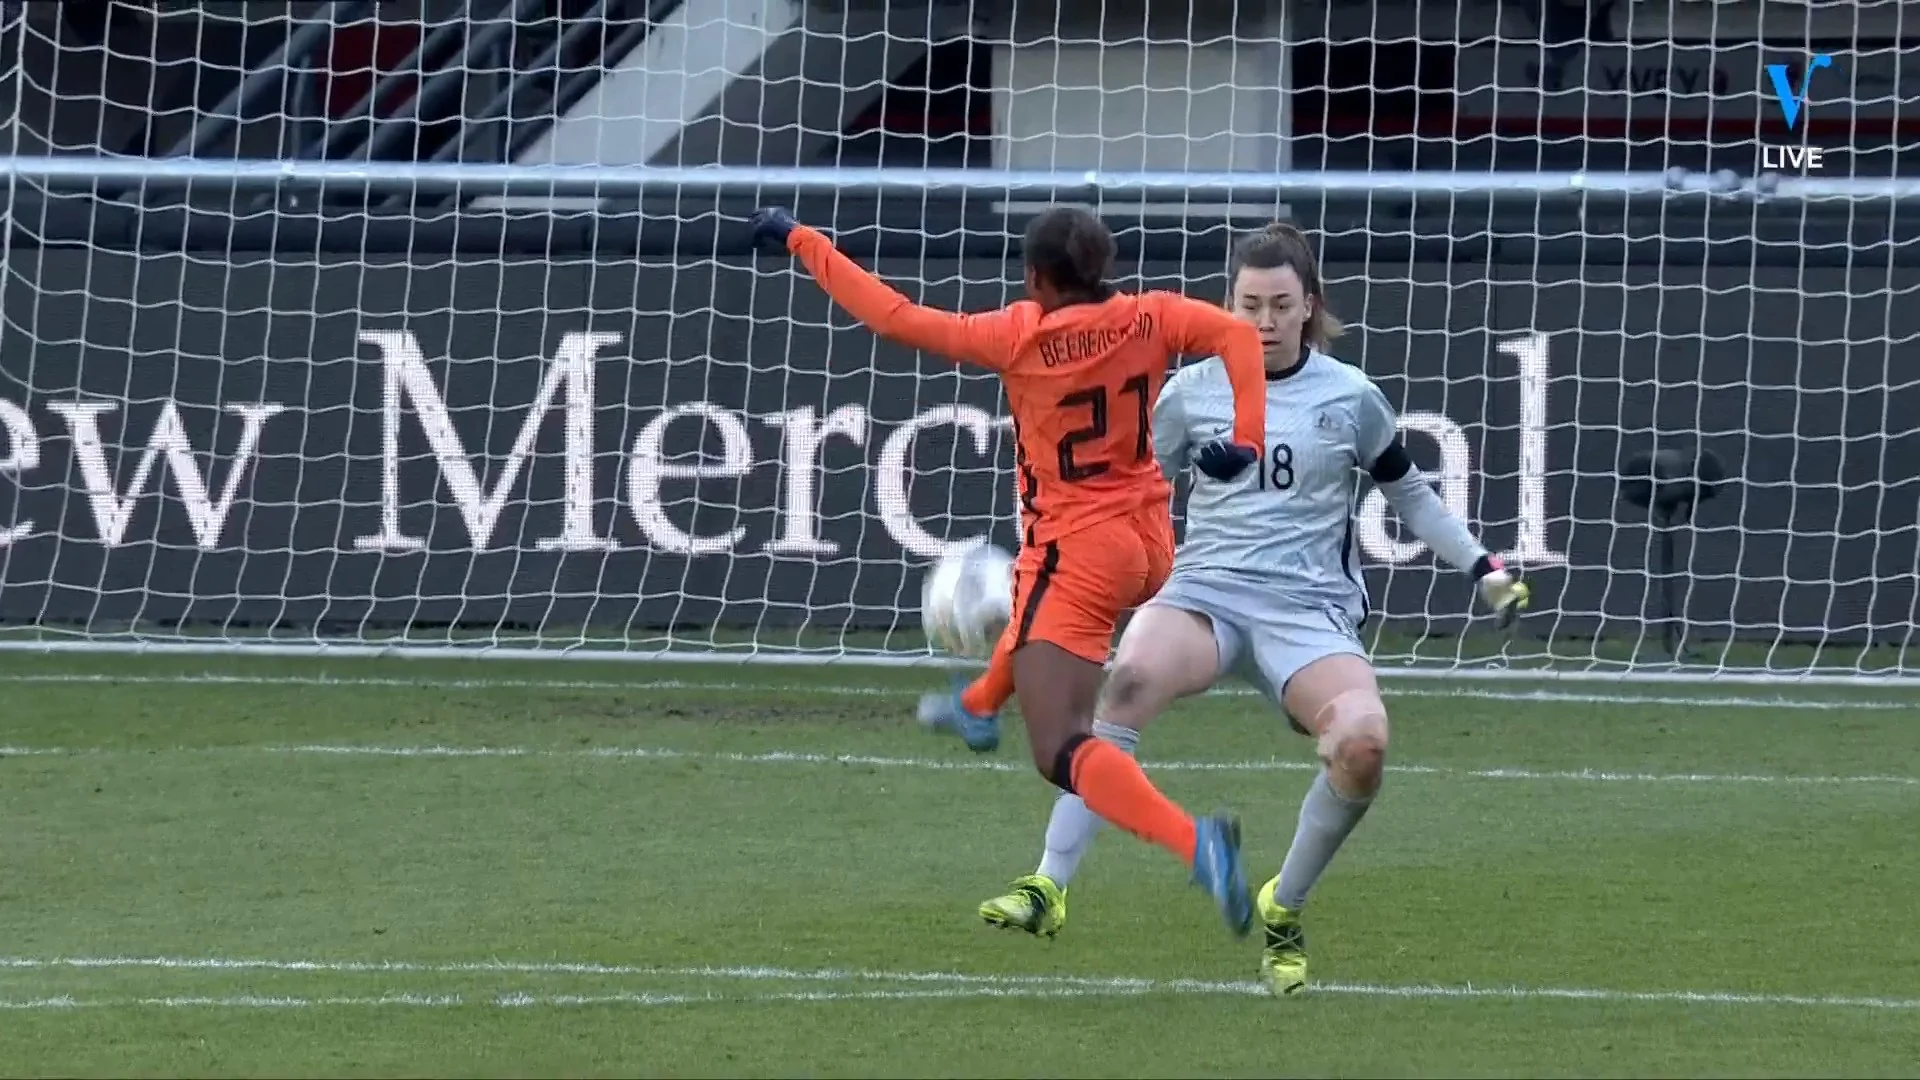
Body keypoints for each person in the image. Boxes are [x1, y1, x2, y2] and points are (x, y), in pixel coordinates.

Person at [957, 222, 1531, 995]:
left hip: (1308, 610)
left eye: (1279, 305)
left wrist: (1481, 566)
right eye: (1247, 304)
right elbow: (1120, 491)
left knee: (1362, 745)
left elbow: (1411, 494)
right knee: (1124, 683)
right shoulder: (1190, 393)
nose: (1261, 322)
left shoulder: (1350, 396)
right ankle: (1046, 885)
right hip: (1204, 593)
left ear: (1308, 308)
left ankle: (1283, 907)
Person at [749, 204, 1273, 935]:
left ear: (1034, 279)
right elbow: (1238, 333)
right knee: (1029, 599)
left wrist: (804, 241)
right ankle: (980, 703)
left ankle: (1198, 845)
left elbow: (893, 315)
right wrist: (1246, 439)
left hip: (1081, 553)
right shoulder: (1151, 317)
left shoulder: (1019, 334)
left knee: (1061, 748)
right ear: (1104, 268)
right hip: (1150, 541)